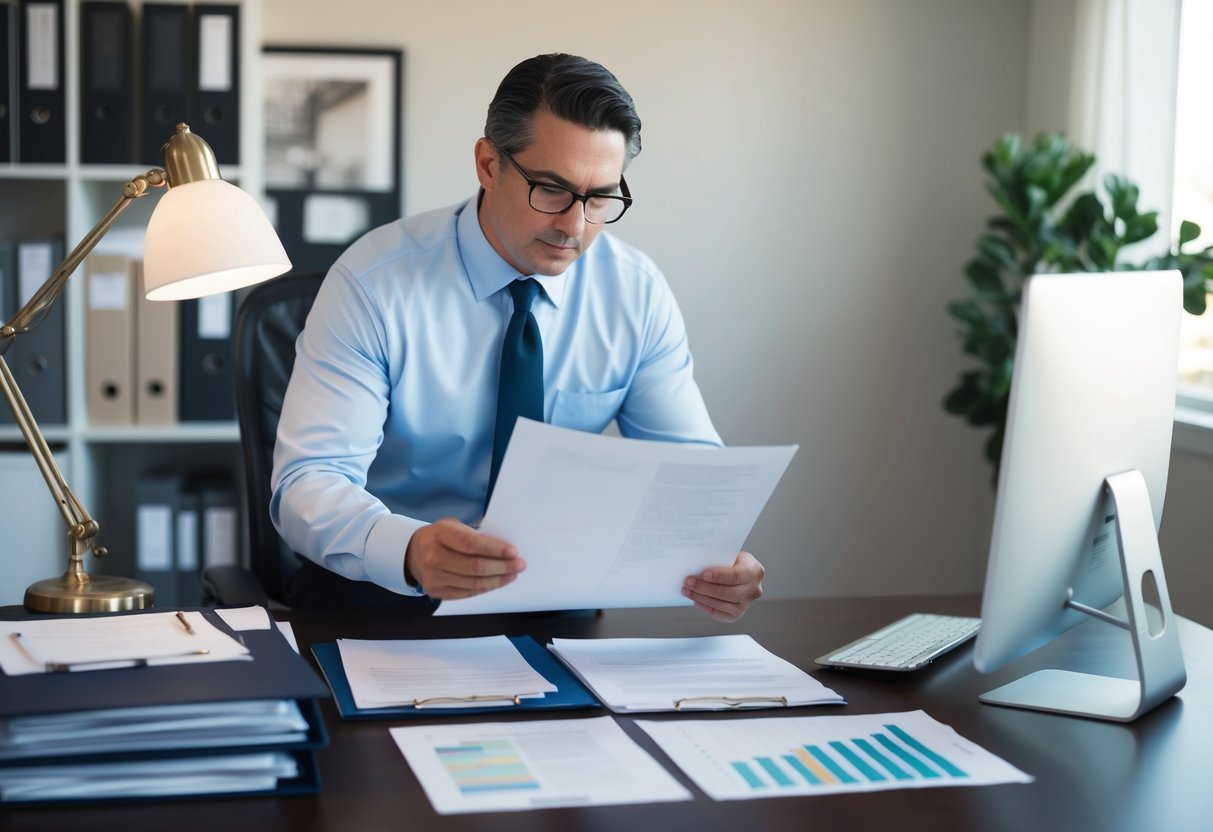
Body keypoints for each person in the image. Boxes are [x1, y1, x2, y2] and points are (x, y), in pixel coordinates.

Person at [270, 53, 765, 621]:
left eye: (600, 197)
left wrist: (718, 552)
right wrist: (409, 549)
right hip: (388, 600)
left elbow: (694, 474)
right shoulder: (374, 284)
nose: (575, 227)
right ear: (488, 163)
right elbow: (308, 483)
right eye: (551, 189)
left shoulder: (634, 292)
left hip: (558, 604)